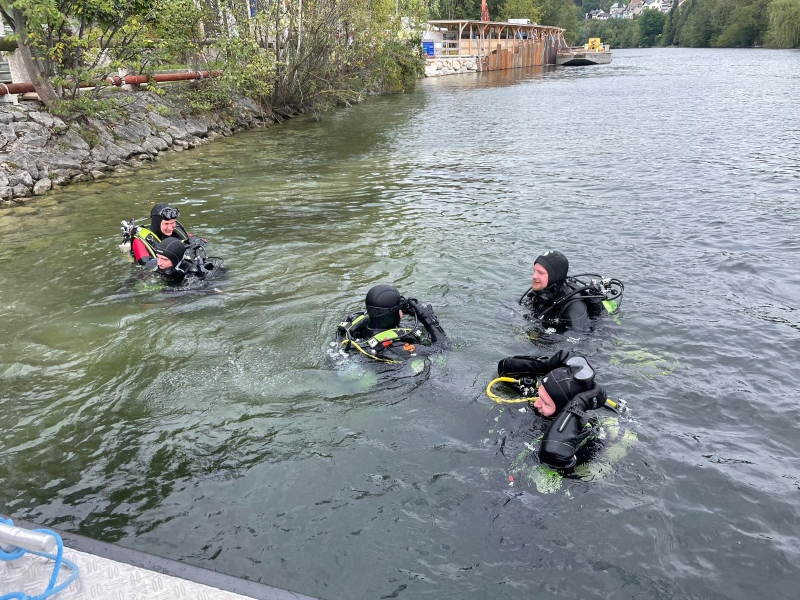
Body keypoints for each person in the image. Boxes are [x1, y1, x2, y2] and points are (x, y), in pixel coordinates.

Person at [496, 350, 617, 469]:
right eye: (539, 396)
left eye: (545, 403)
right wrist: (547, 365)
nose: (536, 403)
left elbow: (552, 455)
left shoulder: (585, 434)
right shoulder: (538, 403)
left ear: (564, 407)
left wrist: (579, 404)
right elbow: (504, 368)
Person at [336, 284, 449, 364]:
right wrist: (428, 318)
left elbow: (381, 311)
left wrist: (405, 307)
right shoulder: (397, 346)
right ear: (394, 313)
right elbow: (442, 347)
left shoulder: (353, 323)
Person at [518, 250, 624, 333]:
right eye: (534, 271)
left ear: (555, 276)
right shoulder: (540, 293)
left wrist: (537, 336)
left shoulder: (574, 308)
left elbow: (579, 344)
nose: (534, 276)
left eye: (540, 273)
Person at [128, 203, 194, 265]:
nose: (170, 228)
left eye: (173, 223)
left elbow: (195, 240)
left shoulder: (177, 230)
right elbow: (145, 263)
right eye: (166, 224)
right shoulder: (139, 241)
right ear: (157, 224)